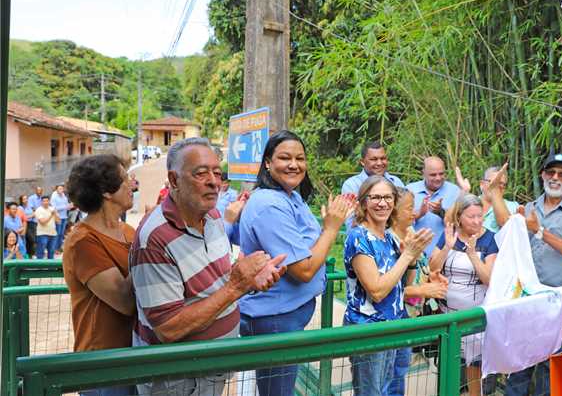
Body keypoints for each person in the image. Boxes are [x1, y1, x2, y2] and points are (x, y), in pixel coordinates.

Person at [130, 137, 284, 396]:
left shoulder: (212, 216)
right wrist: (237, 286)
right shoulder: (155, 238)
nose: (214, 181)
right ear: (174, 180)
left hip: (211, 366)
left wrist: (250, 282)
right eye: (201, 173)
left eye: (217, 172)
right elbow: (169, 328)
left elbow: (218, 283)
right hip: (178, 378)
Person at [238, 130, 354, 396]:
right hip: (274, 318)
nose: (294, 164)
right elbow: (303, 269)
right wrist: (332, 228)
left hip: (288, 314)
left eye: (300, 158)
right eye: (285, 158)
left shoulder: (290, 196)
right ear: (267, 162)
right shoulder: (269, 204)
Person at [505, 152, 562, 396]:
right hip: (527, 298)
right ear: (543, 175)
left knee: (550, 363)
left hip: (559, 300)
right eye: (550, 172)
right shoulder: (529, 208)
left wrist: (540, 230)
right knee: (519, 361)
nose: (555, 178)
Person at [344, 176, 432, 396]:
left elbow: (403, 286)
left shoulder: (388, 237)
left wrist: (411, 258)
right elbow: (377, 291)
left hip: (391, 326)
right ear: (364, 202)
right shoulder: (358, 236)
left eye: (387, 197)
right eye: (375, 197)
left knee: (385, 388)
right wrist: (407, 256)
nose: (382, 203)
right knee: (370, 393)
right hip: (368, 329)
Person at [62, 155, 137, 396]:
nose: (132, 184)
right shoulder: (83, 242)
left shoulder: (127, 231)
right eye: (125, 179)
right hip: (104, 363)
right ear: (106, 191)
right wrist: (149, 242)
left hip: (135, 353)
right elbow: (125, 301)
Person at [429, 194, 498, 396]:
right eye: (471, 217)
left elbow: (489, 279)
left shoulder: (491, 239)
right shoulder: (449, 234)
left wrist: (473, 255)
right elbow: (432, 268)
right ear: (459, 217)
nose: (477, 221)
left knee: (474, 368)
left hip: (474, 318)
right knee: (448, 364)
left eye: (480, 216)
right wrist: (448, 247)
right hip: (447, 315)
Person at [385, 187, 448, 396]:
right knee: (387, 374)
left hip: (410, 316)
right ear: (394, 211)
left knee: (399, 370)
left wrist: (431, 277)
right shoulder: (388, 240)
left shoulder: (411, 233)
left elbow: (416, 271)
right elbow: (386, 288)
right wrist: (422, 289)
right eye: (410, 208)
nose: (414, 212)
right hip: (392, 317)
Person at [342, 141, 405, 230]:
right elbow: (351, 223)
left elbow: (405, 214)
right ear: (362, 162)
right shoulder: (351, 185)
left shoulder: (396, 182)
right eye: (374, 159)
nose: (379, 163)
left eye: (383, 158)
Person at [406, 156, 461, 255]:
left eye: (441, 174)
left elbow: (459, 223)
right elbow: (399, 223)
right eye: (433, 175)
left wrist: (441, 212)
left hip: (444, 254)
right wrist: (420, 213)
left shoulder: (455, 191)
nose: (438, 178)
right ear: (423, 173)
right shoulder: (410, 190)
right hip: (414, 254)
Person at [455, 164, 519, 233]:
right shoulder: (470, 203)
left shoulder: (513, 206)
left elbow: (505, 224)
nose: (498, 186)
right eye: (493, 182)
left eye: (502, 184)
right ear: (482, 184)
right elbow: (451, 222)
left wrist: (494, 190)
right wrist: (463, 193)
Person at [51, 184, 73, 252]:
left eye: (62, 189)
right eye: (59, 189)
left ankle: (59, 247)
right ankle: (54, 248)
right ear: (56, 189)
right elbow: (54, 208)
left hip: (64, 217)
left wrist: (70, 206)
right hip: (58, 217)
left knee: (61, 233)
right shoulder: (54, 197)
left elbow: (66, 206)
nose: (61, 190)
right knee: (57, 233)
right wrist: (65, 207)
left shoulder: (64, 196)